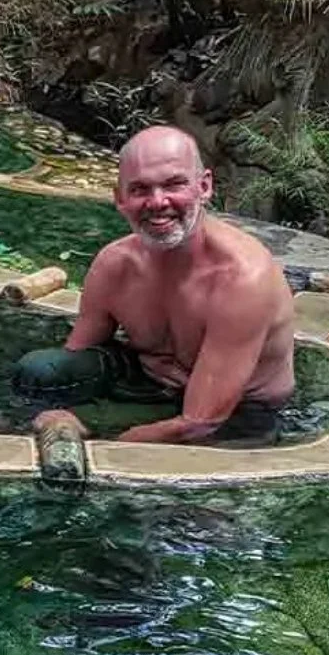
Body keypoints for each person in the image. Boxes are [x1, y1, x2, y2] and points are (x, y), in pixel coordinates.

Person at [15, 125, 296, 444]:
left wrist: (103, 441)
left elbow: (199, 422)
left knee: (206, 448)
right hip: (152, 387)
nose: (158, 202)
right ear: (120, 199)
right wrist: (49, 413)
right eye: (140, 189)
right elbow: (74, 364)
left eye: (174, 184)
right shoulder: (115, 265)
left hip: (238, 411)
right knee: (41, 371)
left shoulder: (242, 278)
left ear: (204, 187)